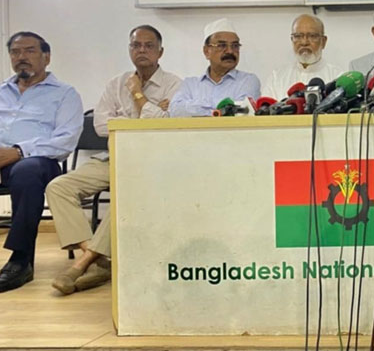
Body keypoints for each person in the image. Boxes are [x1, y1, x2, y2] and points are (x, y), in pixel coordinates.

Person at [46, 25, 182, 295]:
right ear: (129, 50)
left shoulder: (175, 85)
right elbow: (100, 125)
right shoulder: (115, 83)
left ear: (161, 52)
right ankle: (98, 260)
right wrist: (149, 113)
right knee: (58, 187)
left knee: (125, 192)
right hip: (114, 156)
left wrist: (138, 96)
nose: (142, 50)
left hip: (151, 164)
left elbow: (165, 125)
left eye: (149, 45)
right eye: (136, 45)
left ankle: (82, 264)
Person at [0, 32, 83, 293]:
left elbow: (65, 141)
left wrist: (19, 151)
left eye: (29, 51)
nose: (21, 57)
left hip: (39, 163)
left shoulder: (64, 94)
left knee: (27, 171)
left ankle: (21, 260)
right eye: (15, 52)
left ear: (46, 57)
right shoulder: (1, 91)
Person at [169, 18, 261, 116]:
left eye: (235, 46)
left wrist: (196, 108)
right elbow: (176, 111)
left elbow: (242, 112)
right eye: (222, 45)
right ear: (206, 51)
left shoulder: (248, 81)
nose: (230, 51)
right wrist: (220, 110)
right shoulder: (190, 84)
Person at [262, 14, 342, 98]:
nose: (304, 42)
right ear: (292, 40)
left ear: (323, 41)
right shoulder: (276, 78)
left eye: (312, 36)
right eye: (298, 36)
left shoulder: (338, 78)